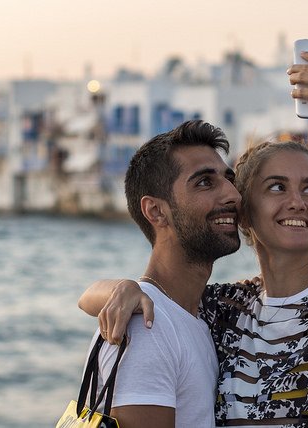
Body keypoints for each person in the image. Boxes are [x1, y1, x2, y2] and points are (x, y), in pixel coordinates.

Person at [79, 52, 308, 426]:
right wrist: (121, 289)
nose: (296, 202)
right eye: (276, 187)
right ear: (245, 212)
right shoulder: (225, 307)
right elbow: (148, 301)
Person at [78, 120, 242, 428]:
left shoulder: (192, 316)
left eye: (228, 179)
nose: (232, 194)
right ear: (155, 211)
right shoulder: (146, 329)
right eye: (205, 183)